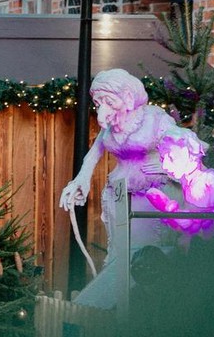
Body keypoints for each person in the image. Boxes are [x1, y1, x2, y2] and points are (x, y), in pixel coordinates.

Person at [59, 69, 177, 312]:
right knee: (118, 254)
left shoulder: (155, 119)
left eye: (108, 101)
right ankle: (107, 312)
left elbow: (185, 145)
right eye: (98, 103)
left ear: (128, 97)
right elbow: (93, 155)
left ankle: (135, 309)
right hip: (118, 194)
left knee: (141, 254)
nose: (102, 108)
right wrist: (81, 180)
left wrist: (167, 164)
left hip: (152, 195)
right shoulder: (112, 127)